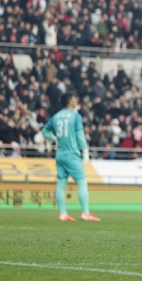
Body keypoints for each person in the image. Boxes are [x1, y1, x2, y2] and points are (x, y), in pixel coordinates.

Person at [42, 92, 100, 222]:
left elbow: (45, 131)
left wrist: (55, 139)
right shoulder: (75, 116)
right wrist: (85, 152)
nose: (76, 100)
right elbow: (80, 135)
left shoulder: (56, 116)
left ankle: (62, 214)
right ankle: (85, 213)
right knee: (82, 182)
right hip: (72, 154)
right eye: (74, 99)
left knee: (61, 184)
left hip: (60, 154)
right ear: (70, 101)